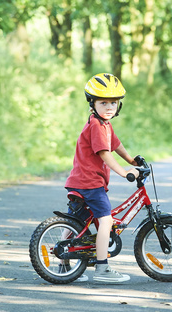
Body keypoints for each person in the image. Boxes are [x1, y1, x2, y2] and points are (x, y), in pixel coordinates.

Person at [65, 73, 140, 283]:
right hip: (90, 183)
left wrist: (131, 159)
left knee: (75, 221)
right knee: (105, 220)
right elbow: (105, 153)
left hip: (80, 180)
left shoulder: (103, 124)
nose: (109, 107)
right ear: (93, 103)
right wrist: (125, 172)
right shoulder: (97, 126)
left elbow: (115, 144)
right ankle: (102, 268)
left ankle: (64, 265)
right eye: (103, 102)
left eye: (113, 103)